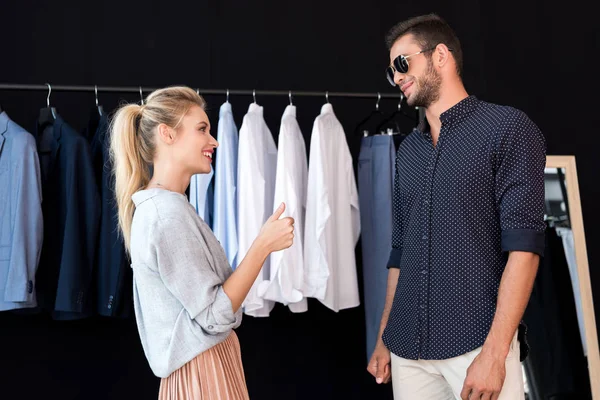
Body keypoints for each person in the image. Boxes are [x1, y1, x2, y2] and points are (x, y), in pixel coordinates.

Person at [367, 14, 546, 400]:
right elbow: (400, 253)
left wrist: (496, 354)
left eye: (403, 63)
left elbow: (525, 248)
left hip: (477, 345)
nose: (397, 77)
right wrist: (385, 336)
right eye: (390, 71)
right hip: (408, 351)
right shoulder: (409, 152)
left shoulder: (508, 129)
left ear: (441, 56)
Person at [110, 86, 294, 399]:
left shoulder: (167, 207)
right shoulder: (166, 214)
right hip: (202, 374)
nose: (215, 141)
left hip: (204, 369)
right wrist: (262, 245)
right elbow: (214, 314)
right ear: (167, 135)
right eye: (202, 129)